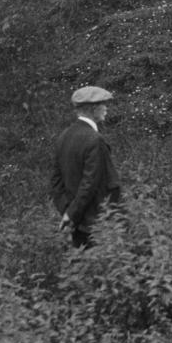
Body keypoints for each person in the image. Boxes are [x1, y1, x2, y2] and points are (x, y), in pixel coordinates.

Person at [52, 86, 123, 247]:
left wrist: (67, 213)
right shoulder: (94, 140)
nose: (106, 108)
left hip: (76, 222)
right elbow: (90, 183)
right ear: (93, 108)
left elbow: (56, 183)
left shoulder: (64, 136)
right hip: (96, 223)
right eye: (103, 104)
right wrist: (71, 214)